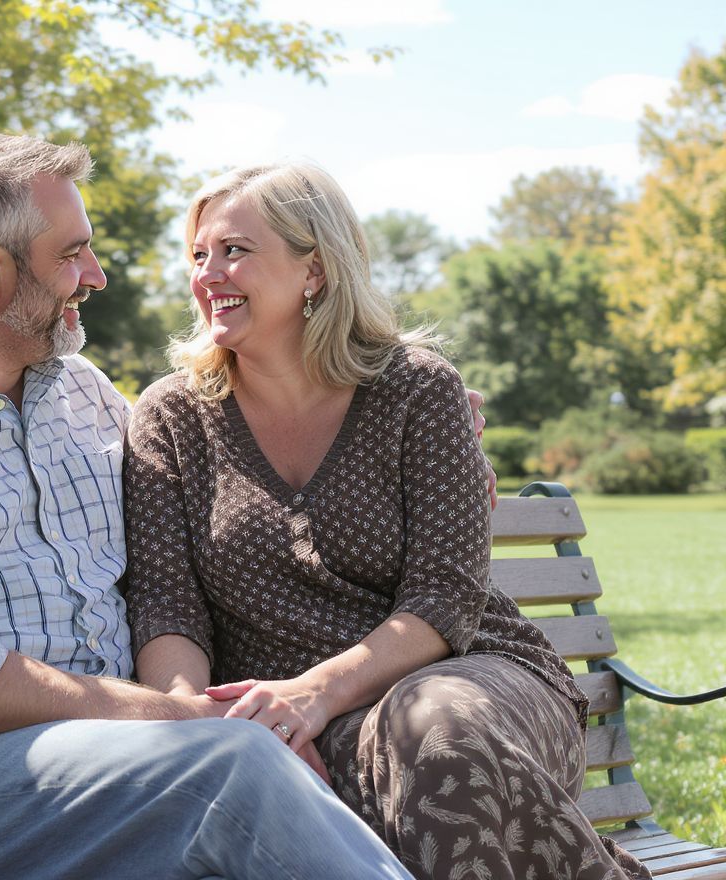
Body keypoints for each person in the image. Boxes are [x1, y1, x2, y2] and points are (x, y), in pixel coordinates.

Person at [0, 133, 415, 879]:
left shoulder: (83, 395)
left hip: (127, 768)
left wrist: (392, 423)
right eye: (72, 253)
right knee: (235, 767)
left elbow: (209, 497)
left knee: (297, 764)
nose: (96, 275)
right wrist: (182, 719)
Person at [123, 161, 650, 880]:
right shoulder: (172, 417)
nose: (209, 272)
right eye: (198, 254)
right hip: (301, 729)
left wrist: (314, 693)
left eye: (235, 250)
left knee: (436, 735)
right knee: (423, 774)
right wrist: (196, 724)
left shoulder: (417, 388)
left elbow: (446, 597)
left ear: (314, 269)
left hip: (475, 685)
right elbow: (166, 604)